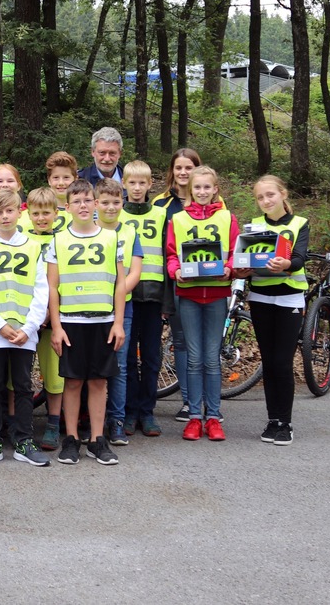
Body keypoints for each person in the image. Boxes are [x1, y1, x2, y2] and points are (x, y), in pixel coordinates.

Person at [46, 179, 126, 466]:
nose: (82, 205)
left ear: (95, 204)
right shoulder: (58, 239)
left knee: (98, 381)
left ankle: (96, 439)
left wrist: (118, 323)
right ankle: (70, 439)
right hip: (71, 321)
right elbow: (52, 288)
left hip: (103, 321)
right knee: (73, 381)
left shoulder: (111, 237)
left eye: (87, 200)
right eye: (76, 201)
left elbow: (119, 284)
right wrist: (56, 327)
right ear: (67, 207)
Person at [0, 190, 50, 467]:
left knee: (25, 386)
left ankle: (24, 441)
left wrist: (29, 327)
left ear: (19, 212)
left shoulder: (31, 245)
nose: (5, 216)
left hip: (24, 333)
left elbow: (41, 291)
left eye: (10, 211)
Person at [165, 166, 238, 442]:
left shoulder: (227, 217)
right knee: (194, 359)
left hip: (217, 295)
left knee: (211, 358)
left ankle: (214, 417)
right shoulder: (178, 219)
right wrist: (176, 272)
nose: (203, 192)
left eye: (208, 187)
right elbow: (171, 254)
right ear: (190, 190)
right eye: (198, 188)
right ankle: (195, 417)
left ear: (215, 189)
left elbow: (235, 251)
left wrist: (230, 268)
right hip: (189, 296)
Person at [234, 175, 308, 446]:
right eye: (260, 197)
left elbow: (300, 258)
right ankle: (272, 420)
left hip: (289, 300)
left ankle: (285, 423)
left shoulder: (300, 223)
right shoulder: (253, 227)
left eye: (270, 195)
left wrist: (286, 264)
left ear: (283, 194)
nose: (266, 201)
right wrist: (241, 268)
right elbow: (244, 258)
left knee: (282, 362)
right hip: (261, 299)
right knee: (269, 361)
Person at [117, 161, 170, 438]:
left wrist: (167, 301)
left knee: (150, 356)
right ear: (124, 184)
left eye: (142, 183)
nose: (137, 188)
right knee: (126, 357)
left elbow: (168, 253)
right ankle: (129, 411)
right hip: (125, 296)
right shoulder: (117, 214)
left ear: (150, 185)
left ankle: (147, 412)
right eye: (132, 183)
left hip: (153, 294)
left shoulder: (161, 215)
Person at [153, 148, 202, 421]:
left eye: (189, 167)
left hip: (205, 282)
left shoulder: (212, 200)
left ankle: (203, 401)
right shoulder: (160, 204)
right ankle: (187, 401)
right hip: (172, 282)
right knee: (181, 342)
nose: (183, 173)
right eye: (179, 168)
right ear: (172, 171)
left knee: (202, 345)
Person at [94, 178, 143, 446]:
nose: (111, 207)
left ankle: (117, 420)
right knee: (94, 368)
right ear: (95, 203)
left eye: (116, 202)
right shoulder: (86, 230)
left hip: (123, 308)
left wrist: (117, 296)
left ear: (122, 203)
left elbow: (135, 271)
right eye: (105, 202)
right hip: (91, 308)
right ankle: (92, 420)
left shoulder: (130, 232)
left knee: (120, 367)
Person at [22, 187, 67, 451]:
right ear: (28, 214)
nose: (41, 218)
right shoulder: (21, 240)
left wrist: (51, 311)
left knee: (54, 374)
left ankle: (53, 423)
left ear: (56, 213)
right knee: (20, 374)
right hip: (27, 319)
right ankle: (20, 423)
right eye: (36, 213)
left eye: (46, 213)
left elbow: (58, 282)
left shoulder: (61, 241)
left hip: (52, 318)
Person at [20, 152, 75, 235]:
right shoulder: (28, 213)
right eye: (56, 178)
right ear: (49, 180)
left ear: (76, 178)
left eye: (66, 177)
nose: (61, 183)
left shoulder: (81, 211)